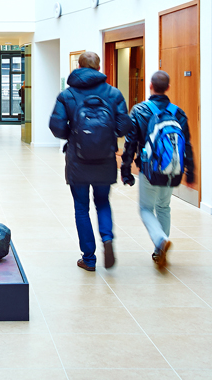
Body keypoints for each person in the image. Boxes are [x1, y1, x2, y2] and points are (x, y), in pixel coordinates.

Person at [49, 51, 132, 271]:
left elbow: (56, 126)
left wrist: (73, 135)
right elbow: (125, 125)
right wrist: (107, 136)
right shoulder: (113, 93)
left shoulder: (67, 95)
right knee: (103, 202)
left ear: (79, 65)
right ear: (99, 66)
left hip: (78, 160)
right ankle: (107, 238)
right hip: (105, 159)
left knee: (81, 207)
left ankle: (89, 258)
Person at [121, 71, 195, 270]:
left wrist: (125, 169)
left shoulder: (139, 110)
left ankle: (160, 241)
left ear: (150, 87)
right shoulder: (178, 112)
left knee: (146, 208)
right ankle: (159, 251)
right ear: (168, 88)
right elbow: (186, 144)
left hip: (149, 169)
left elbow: (130, 143)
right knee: (164, 207)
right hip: (172, 169)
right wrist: (191, 172)